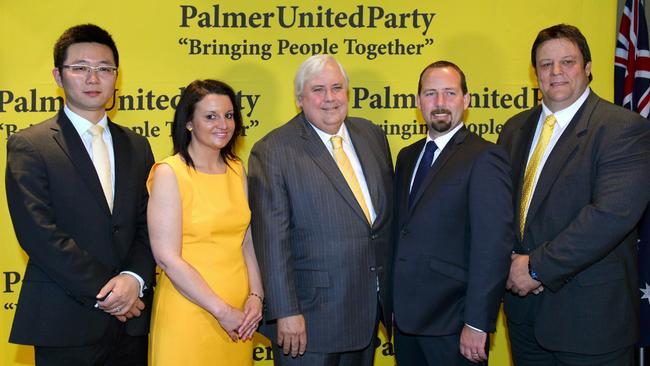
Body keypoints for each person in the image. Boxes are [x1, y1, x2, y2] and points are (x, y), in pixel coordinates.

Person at [499, 24, 650, 365]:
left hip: (590, 323)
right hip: (524, 318)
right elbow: (501, 212)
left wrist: (535, 269)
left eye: (567, 61)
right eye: (545, 64)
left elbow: (610, 216)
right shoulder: (514, 129)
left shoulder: (622, 129)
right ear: (534, 72)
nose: (555, 73)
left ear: (588, 67)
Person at [5, 24, 156, 365]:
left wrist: (133, 279)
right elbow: (38, 234)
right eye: (80, 68)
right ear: (58, 76)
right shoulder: (31, 145)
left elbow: (149, 225)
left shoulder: (137, 145)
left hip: (132, 324)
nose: (93, 78)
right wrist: (111, 291)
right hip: (64, 321)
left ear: (117, 77)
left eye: (104, 69)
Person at [248, 54, 393, 366]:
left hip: (367, 312)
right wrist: (286, 311)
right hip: (309, 322)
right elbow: (272, 241)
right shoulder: (273, 150)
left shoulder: (372, 136)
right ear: (300, 99)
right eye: (318, 90)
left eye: (337, 88)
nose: (329, 98)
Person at [392, 60, 513, 365]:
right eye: (430, 94)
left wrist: (477, 322)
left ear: (466, 100)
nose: (440, 103)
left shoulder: (485, 156)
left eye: (450, 93)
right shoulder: (407, 157)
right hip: (406, 324)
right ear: (419, 102)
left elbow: (493, 245)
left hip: (454, 324)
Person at [147, 79, 263, 365]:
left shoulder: (237, 169)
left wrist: (257, 296)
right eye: (210, 116)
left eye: (228, 115)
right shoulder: (169, 173)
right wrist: (222, 311)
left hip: (240, 316)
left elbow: (246, 239)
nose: (222, 124)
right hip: (190, 312)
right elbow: (168, 259)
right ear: (188, 122)